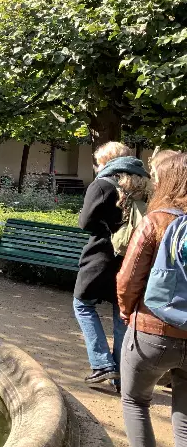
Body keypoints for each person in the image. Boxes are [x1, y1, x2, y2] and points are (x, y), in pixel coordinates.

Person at [117, 153, 187, 447]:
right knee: (186, 425)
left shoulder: (156, 221)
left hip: (151, 331)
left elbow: (128, 279)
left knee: (135, 400)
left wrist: (127, 312)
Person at [75, 142, 149, 389]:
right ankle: (122, 376)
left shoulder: (102, 185)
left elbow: (86, 222)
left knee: (82, 305)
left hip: (101, 257)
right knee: (121, 315)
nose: (97, 167)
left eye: (98, 162)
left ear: (106, 162)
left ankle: (103, 365)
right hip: (133, 260)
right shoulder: (144, 186)